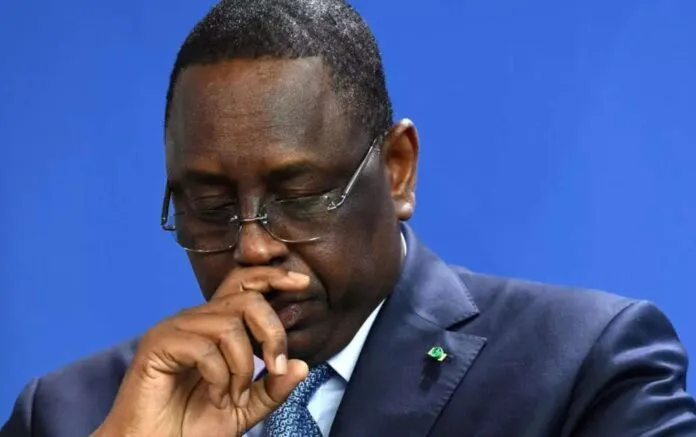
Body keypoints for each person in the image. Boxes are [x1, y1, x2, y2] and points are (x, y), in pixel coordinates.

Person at [2, 0, 696, 436]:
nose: (252, 247)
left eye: (300, 195)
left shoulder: (581, 367)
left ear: (396, 169)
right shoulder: (69, 412)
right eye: (211, 208)